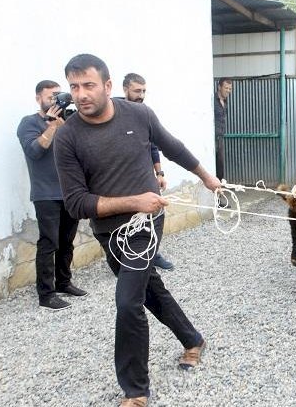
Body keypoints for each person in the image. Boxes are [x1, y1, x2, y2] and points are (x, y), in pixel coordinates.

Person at [54, 54, 221, 406]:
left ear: (108, 86)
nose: (81, 94)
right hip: (110, 230)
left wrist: (207, 178)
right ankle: (193, 339)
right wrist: (135, 201)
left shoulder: (139, 115)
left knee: (128, 300)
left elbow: (173, 147)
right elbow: (76, 203)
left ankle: (135, 390)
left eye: (89, 85)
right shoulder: (67, 137)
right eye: (74, 87)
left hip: (146, 224)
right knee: (147, 290)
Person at [16, 80, 88, 311]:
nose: (56, 100)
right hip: (45, 193)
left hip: (70, 192)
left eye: (59, 96)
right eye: (51, 97)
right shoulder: (29, 123)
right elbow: (34, 152)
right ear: (38, 98)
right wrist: (52, 127)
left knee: (67, 241)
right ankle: (46, 295)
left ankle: (64, 283)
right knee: (49, 243)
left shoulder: (69, 122)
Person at [120, 73, 175, 271]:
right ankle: (127, 256)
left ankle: (152, 253)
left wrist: (159, 174)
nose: (141, 95)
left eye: (143, 91)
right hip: (123, 180)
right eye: (137, 91)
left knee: (154, 214)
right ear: (125, 89)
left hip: (145, 177)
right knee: (129, 220)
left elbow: (153, 146)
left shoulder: (143, 114)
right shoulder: (116, 114)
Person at [214, 77, 233, 181]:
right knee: (214, 164)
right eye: (226, 88)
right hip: (212, 138)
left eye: (230, 89)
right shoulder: (213, 100)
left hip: (220, 137)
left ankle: (219, 188)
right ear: (219, 87)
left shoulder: (225, 102)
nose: (228, 91)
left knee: (220, 165)